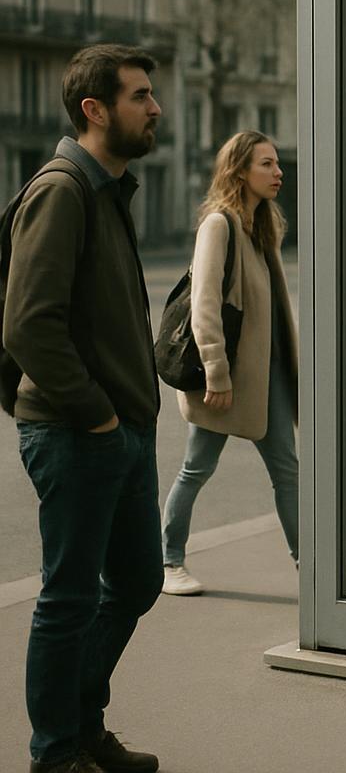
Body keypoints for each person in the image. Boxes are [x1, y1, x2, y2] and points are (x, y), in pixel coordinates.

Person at [4, 45, 163, 773]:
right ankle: (56, 751)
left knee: (137, 581)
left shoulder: (110, 187)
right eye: (138, 96)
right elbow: (29, 324)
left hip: (120, 430)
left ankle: (80, 724)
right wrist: (96, 417)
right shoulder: (64, 188)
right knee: (68, 599)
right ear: (94, 110)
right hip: (78, 432)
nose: (155, 107)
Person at [160, 131, 299, 595]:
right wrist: (216, 374)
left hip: (266, 376)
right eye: (267, 164)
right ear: (240, 170)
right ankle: (168, 561)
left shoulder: (262, 228)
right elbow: (203, 305)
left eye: (277, 164)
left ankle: (312, 566)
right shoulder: (219, 225)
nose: (278, 172)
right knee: (196, 468)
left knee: (288, 471)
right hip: (226, 379)